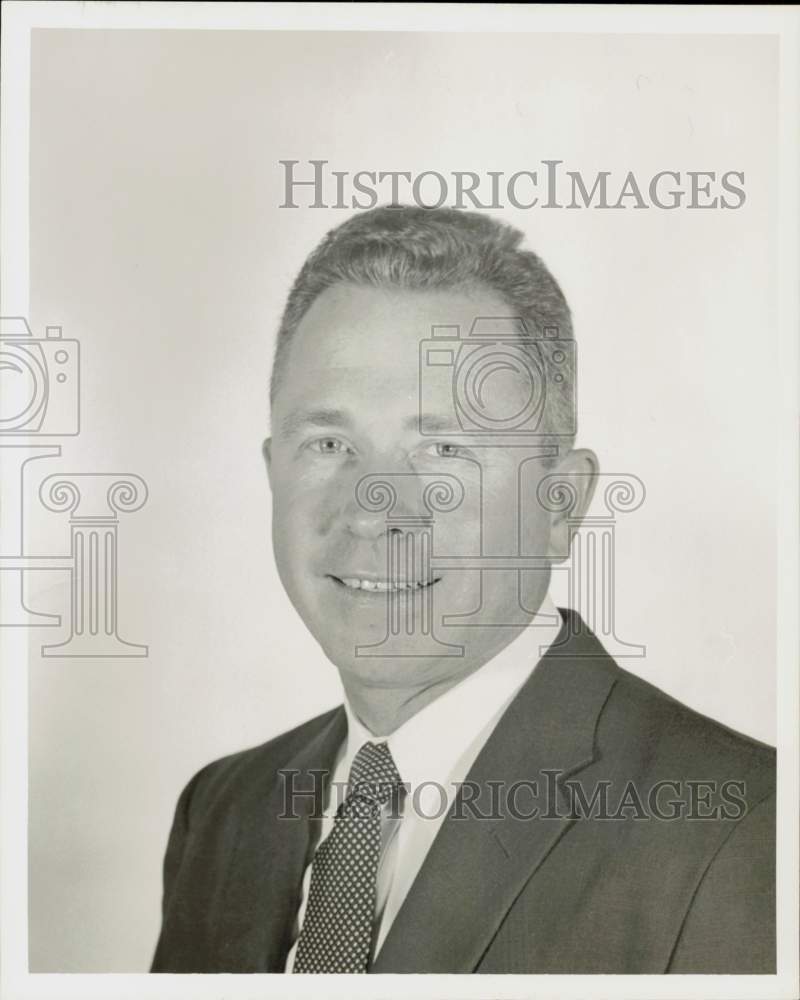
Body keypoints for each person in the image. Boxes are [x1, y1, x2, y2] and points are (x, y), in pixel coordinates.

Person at [150, 206, 775, 974]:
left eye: (444, 448)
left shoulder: (747, 829)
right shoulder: (223, 812)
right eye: (331, 444)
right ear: (272, 471)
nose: (374, 508)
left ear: (560, 504)